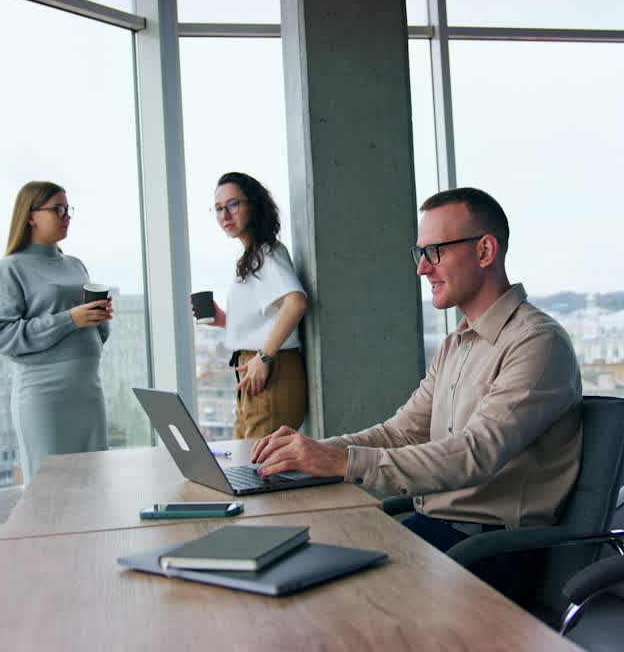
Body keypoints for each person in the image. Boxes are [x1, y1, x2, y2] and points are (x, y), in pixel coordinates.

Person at [251, 187, 583, 553]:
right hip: (438, 527)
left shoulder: (536, 342)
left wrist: (340, 462)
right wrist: (310, 452)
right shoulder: (458, 343)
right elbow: (402, 432)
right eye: (420, 253)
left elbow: (473, 454)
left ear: (485, 250)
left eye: (435, 251)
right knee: (309, 549)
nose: (423, 267)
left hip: (492, 546)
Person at [0, 181, 113, 482]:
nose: (66, 215)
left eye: (68, 209)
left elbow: (95, 334)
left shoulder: (76, 265)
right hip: (44, 396)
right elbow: (3, 336)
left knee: (93, 488)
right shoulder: (11, 268)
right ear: (31, 216)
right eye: (58, 209)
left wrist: (99, 317)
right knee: (51, 494)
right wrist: (70, 319)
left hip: (87, 391)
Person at [199, 172, 309, 439]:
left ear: (254, 205)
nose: (225, 215)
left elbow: (296, 302)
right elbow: (269, 316)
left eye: (233, 204)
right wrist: (225, 320)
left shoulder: (267, 254)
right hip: (256, 368)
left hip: (271, 368)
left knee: (255, 467)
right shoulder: (253, 257)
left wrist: (264, 357)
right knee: (245, 461)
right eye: (219, 208)